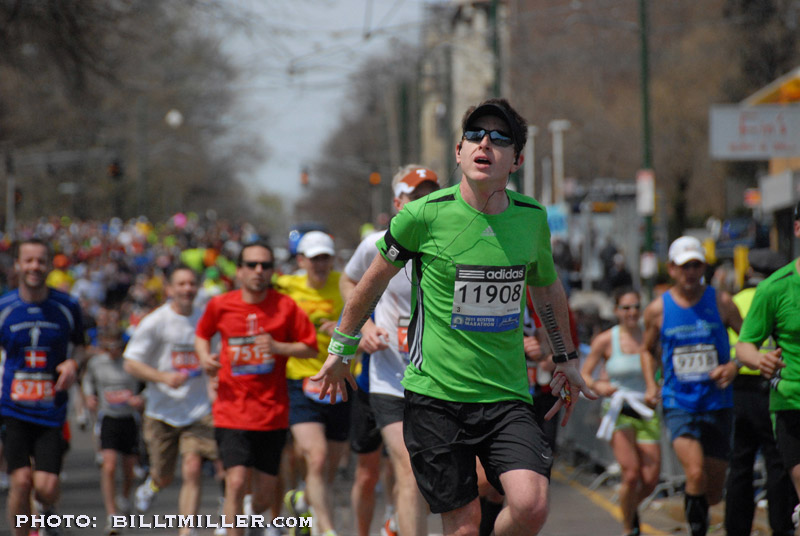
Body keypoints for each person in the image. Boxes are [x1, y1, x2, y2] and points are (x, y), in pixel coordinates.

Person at [313, 98, 595, 536]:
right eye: (475, 135)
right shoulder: (423, 215)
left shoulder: (531, 218)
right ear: (459, 151)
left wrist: (566, 358)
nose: (486, 143)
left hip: (506, 395)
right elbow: (370, 282)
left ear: (516, 160)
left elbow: (545, 286)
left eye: (500, 138)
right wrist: (341, 349)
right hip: (436, 398)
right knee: (462, 527)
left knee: (531, 506)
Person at [340, 165, 440, 536]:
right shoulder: (376, 244)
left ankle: (397, 521)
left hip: (437, 380)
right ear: (398, 203)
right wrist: (364, 328)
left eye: (431, 194)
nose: (424, 202)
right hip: (388, 379)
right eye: (416, 196)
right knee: (393, 470)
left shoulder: (453, 242)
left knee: (426, 475)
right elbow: (348, 280)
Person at [196, 241, 318, 536]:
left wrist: (278, 347)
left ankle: (247, 514)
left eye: (265, 265)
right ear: (239, 271)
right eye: (251, 265)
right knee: (236, 482)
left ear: (272, 271)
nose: (258, 270)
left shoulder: (285, 306)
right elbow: (202, 334)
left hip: (271, 413)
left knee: (263, 496)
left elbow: (310, 347)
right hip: (231, 410)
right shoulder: (220, 305)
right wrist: (204, 358)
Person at [641, 236, 742, 536]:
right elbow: (646, 350)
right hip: (679, 402)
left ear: (704, 267)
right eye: (684, 266)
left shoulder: (722, 302)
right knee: (695, 473)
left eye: (696, 265)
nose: (690, 272)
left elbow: (750, 340)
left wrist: (734, 366)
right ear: (671, 269)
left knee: (713, 491)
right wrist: (651, 384)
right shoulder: (658, 309)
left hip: (717, 402)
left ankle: (701, 515)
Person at [123, 264, 219, 536]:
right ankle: (152, 485)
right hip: (161, 411)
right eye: (181, 284)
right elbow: (131, 363)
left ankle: (187, 530)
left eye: (192, 284)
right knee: (164, 476)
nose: (187, 289)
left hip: (197, 409)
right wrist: (162, 377)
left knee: (193, 467)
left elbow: (218, 356)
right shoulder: (155, 321)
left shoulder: (206, 320)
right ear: (169, 289)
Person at [0, 238, 87, 536]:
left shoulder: (67, 306)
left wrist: (73, 364)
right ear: (17, 265)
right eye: (28, 260)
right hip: (13, 407)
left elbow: (80, 347)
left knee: (46, 488)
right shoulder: (5, 307)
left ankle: (47, 511)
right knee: (21, 480)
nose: (34, 266)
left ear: (50, 265)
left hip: (51, 409)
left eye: (41, 261)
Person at [275, 231, 348, 536]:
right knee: (316, 457)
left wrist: (344, 329)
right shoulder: (285, 286)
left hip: (340, 381)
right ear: (301, 260)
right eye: (314, 258)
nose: (320, 264)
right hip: (300, 381)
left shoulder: (346, 284)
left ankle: (303, 501)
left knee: (328, 467)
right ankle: (326, 529)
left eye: (325, 258)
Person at [736, 203, 800, 534]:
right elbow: (744, 345)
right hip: (792, 405)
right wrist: (759, 359)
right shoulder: (774, 288)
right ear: (798, 229)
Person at [581, 287, 661, 536]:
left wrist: (658, 387)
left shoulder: (650, 337)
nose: (632, 312)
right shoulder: (606, 339)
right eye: (626, 308)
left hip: (646, 409)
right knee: (631, 473)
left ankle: (628, 508)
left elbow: (663, 368)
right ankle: (629, 529)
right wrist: (599, 385)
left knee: (650, 480)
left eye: (636, 307)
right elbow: (585, 374)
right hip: (618, 409)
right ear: (616, 310)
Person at [83, 327, 144, 535]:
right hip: (108, 418)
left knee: (129, 469)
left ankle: (124, 496)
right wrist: (89, 397)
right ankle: (112, 515)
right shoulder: (96, 363)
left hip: (129, 419)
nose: (112, 351)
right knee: (109, 466)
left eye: (116, 346)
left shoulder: (131, 364)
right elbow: (87, 381)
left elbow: (146, 385)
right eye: (107, 346)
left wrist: (140, 399)